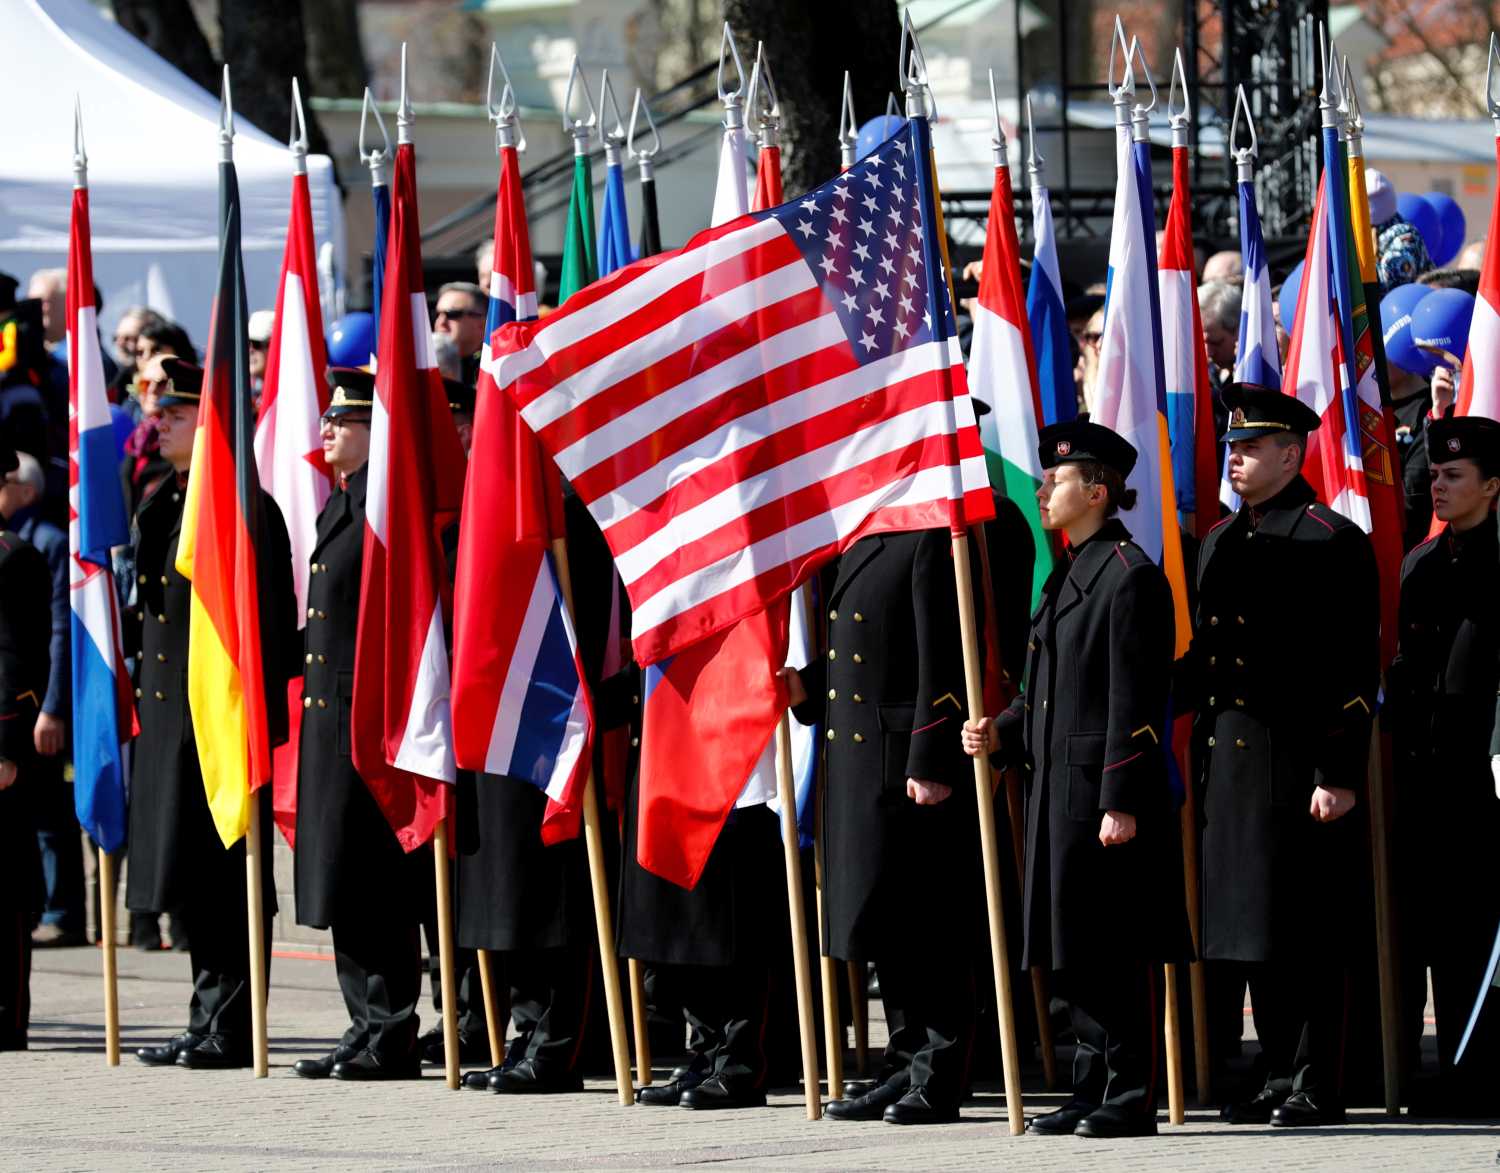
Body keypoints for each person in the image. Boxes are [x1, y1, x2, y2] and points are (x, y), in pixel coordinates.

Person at [962, 420, 1186, 1139]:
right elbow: (1046, 693)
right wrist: (1002, 727)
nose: (1043, 489)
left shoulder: (1130, 577)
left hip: (1102, 798)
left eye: (1056, 479)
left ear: (1096, 490)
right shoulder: (1065, 576)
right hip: (1056, 791)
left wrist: (1120, 799)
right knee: (1073, 950)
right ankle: (1091, 1084)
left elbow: (1138, 702)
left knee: (1116, 948)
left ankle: (1131, 1092)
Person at [1179, 383, 1379, 1127]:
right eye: (1232, 446)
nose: (1235, 457)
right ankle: (1273, 1068)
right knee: (1250, 930)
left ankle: (1316, 1079)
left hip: (1297, 763)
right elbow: (1210, 657)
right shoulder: (1224, 542)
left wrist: (1338, 772)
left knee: (1305, 930)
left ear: (1292, 454)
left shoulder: (1330, 539)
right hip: (1231, 762)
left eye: (1251, 447)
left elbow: (1355, 670)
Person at [126, 356, 295, 1071]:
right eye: (159, 410)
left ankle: (232, 1020)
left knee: (228, 875)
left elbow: (273, 624)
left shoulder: (246, 509)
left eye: (177, 412)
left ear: (212, 422)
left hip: (221, 719)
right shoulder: (162, 502)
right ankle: (206, 1010)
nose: (159, 421)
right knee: (189, 878)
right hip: (170, 721)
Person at [785, 527, 982, 1126]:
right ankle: (903, 1061)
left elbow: (942, 654)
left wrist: (931, 757)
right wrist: (806, 687)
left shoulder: (928, 536)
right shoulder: (864, 539)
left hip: (904, 762)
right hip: (859, 762)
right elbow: (862, 655)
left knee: (926, 922)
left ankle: (940, 1072)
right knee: (886, 920)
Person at [292, 369, 424, 1081]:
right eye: (326, 421)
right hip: (326, 723)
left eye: (343, 422)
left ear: (375, 431)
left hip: (364, 718)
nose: (327, 433)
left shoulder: (381, 506)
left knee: (374, 878)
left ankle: (393, 1028)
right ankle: (362, 1022)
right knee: (341, 876)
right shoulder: (338, 507)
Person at [1388, 415, 1500, 1115]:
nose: (1439, 484)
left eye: (1454, 475)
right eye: (1434, 473)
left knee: (1484, 927)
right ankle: (1456, 1064)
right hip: (1430, 774)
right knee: (1440, 929)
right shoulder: (1421, 565)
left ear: (1492, 486)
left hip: (1487, 772)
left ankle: (1485, 1068)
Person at [0, 453, 79, 947]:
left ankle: (62, 911)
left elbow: (26, 647)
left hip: (15, 721)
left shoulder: (21, 551)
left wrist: (9, 741)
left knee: (43, 828)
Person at [0, 440, 55, 1050]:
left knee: (7, 890)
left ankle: (7, 1013)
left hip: (1, 740)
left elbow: (18, 658)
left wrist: (7, 746)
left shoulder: (14, 558)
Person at [433, 283, 488, 387]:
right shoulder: (423, 366)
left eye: (452, 314)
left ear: (482, 323)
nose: (441, 322)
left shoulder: (496, 369)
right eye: (437, 314)